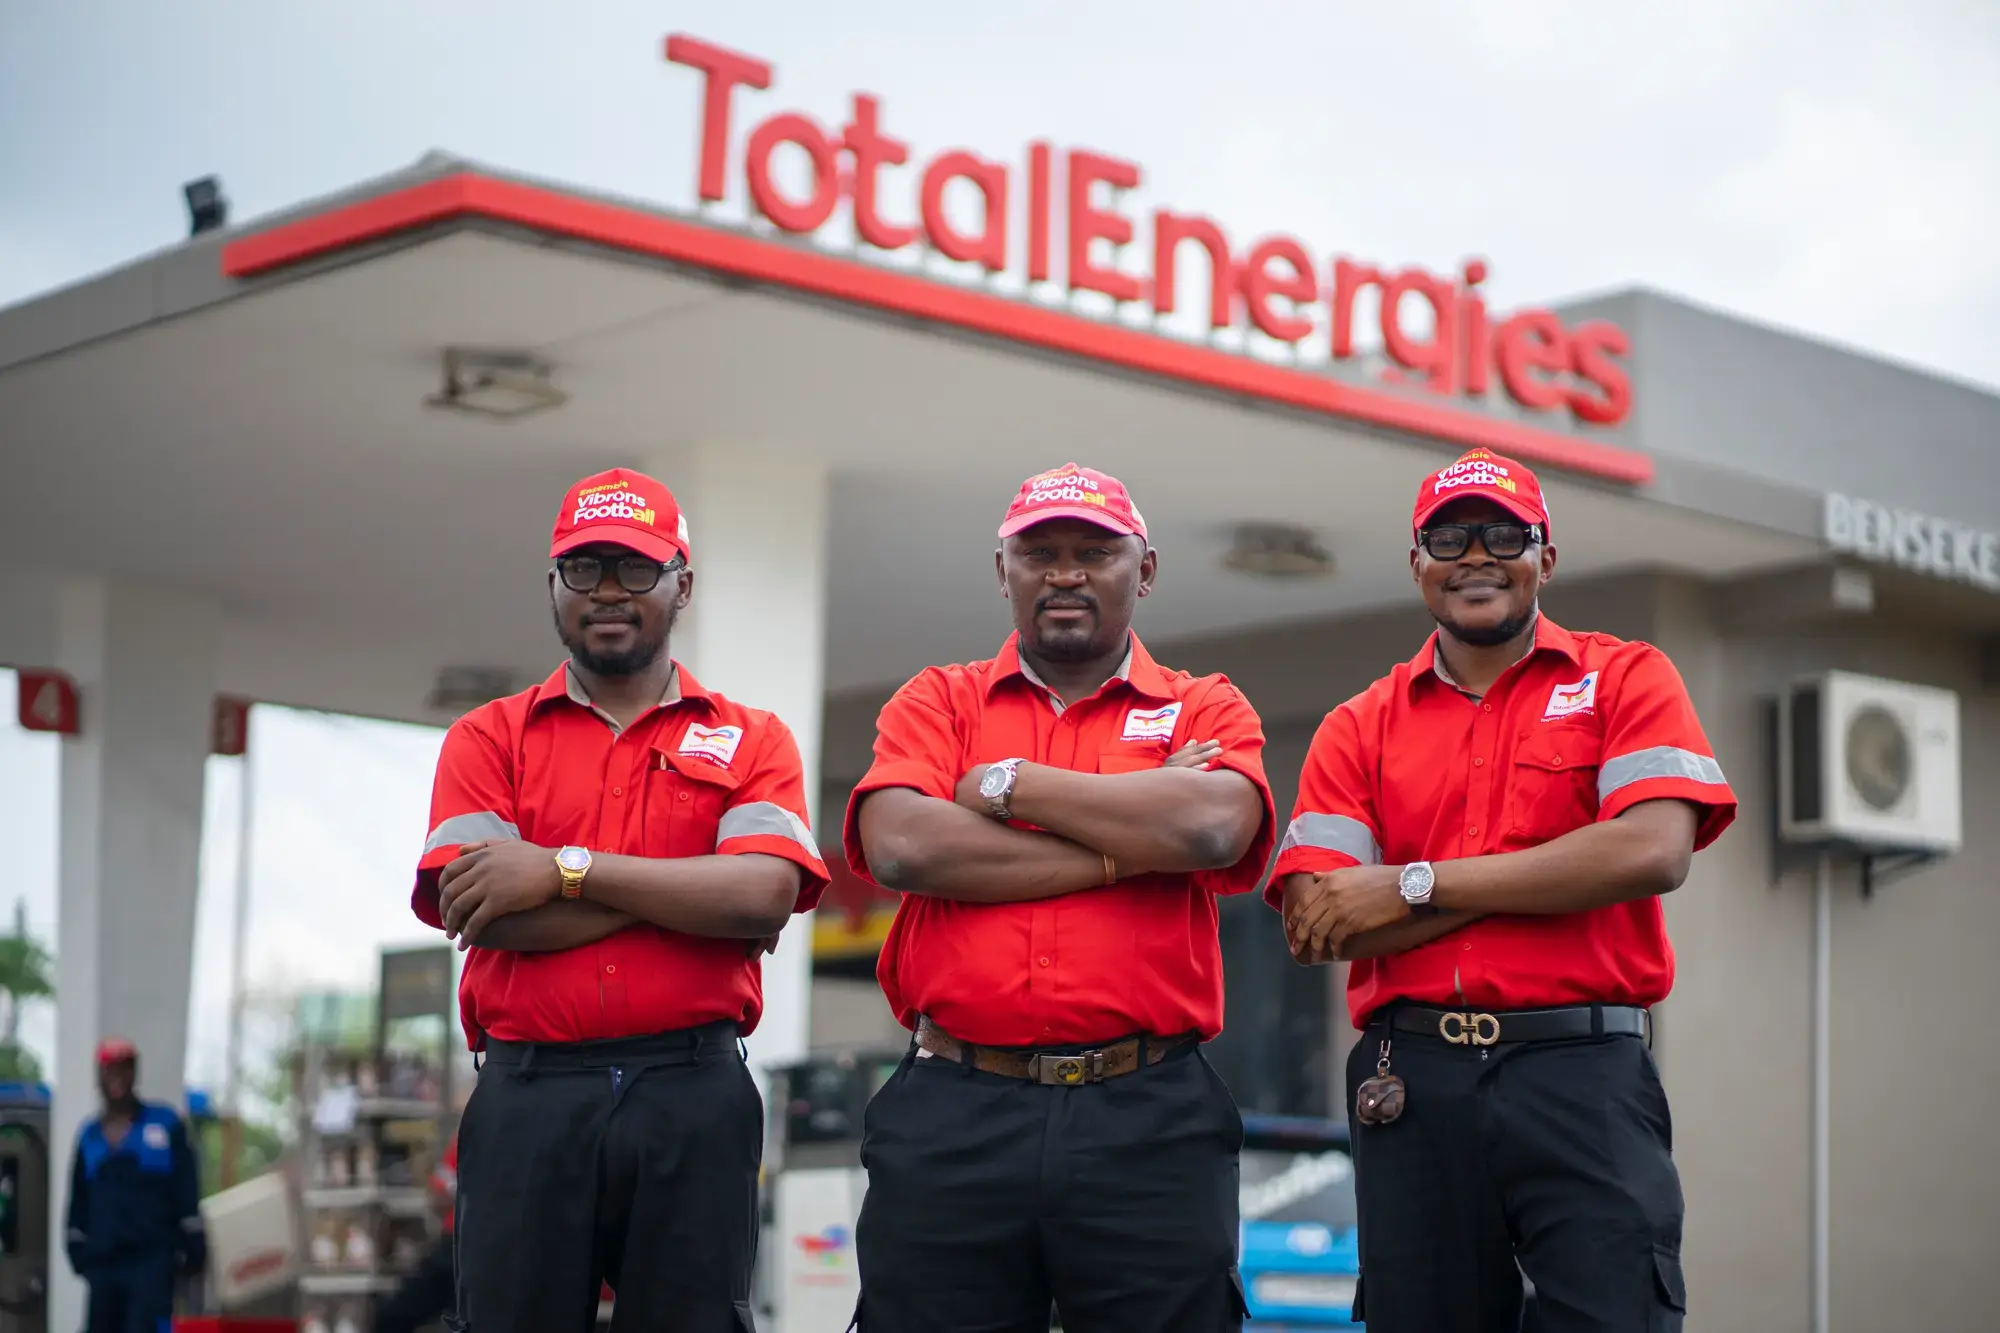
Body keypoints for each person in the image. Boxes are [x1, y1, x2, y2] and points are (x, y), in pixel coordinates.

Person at [1272, 447, 1738, 1333]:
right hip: (1410, 1080)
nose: (1476, 554)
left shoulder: (1628, 678)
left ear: (1545, 559)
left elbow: (1652, 850)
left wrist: (1412, 884)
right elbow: (1319, 919)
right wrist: (1562, 863)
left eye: (1503, 534)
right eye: (1449, 537)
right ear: (1417, 564)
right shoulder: (1356, 725)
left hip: (1583, 1072)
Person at [843, 463, 1276, 1332]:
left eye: (1094, 552)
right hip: (955, 1107)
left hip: (1148, 1113)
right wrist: (1126, 846)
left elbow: (1210, 833)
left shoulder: (1205, 704)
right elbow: (901, 844)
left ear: (1144, 570)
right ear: (1002, 570)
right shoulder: (937, 700)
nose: (1066, 573)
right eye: (1039, 553)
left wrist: (1004, 784)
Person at [411, 467, 829, 1333]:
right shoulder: (488, 737)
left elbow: (763, 893)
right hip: (530, 1092)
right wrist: (689, 887)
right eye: (584, 568)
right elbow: (488, 910)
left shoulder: (752, 736)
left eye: (635, 569)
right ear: (553, 585)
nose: (608, 591)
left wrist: (563, 869)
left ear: (683, 582)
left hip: (694, 1090)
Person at [64, 1037, 206, 1333]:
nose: (117, 1078)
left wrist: (192, 1246)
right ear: (99, 1076)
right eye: (110, 1069)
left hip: (151, 1262)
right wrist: (77, 1248)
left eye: (125, 1069)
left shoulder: (165, 1124)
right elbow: (78, 1199)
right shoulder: (89, 1136)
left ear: (135, 1074)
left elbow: (186, 1187)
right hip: (103, 1264)